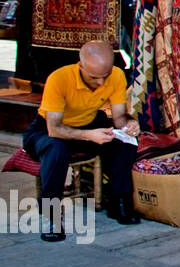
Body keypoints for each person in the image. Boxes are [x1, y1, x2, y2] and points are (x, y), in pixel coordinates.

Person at [23, 41, 141, 241]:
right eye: (94, 77)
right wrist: (90, 135)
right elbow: (55, 128)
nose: (101, 83)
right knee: (55, 149)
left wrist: (130, 125)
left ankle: (118, 201)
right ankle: (50, 214)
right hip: (47, 131)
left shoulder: (117, 76)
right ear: (81, 66)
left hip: (88, 123)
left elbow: (119, 116)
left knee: (125, 143)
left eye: (105, 76)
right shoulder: (59, 79)